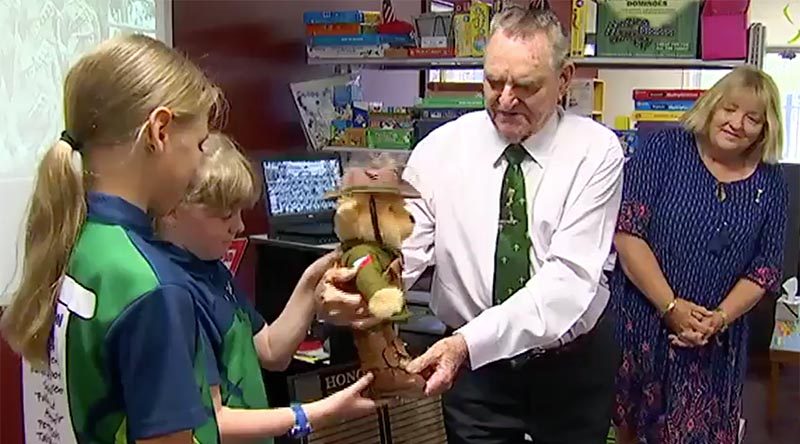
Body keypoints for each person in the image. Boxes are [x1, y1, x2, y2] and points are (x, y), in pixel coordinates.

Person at [319, 6, 624, 444]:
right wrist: (358, 282)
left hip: (570, 367)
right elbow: (405, 249)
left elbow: (568, 282)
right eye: (493, 81)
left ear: (564, 80)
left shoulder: (596, 152)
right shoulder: (441, 148)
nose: (504, 100)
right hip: (474, 376)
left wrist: (467, 342)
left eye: (525, 86)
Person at [0, 34, 225, 443]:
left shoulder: (67, 244)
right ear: (159, 131)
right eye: (198, 145)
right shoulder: (154, 286)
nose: (198, 166)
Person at [156, 133, 378, 442]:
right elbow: (212, 422)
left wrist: (314, 278)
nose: (239, 226)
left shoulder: (213, 272)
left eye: (240, 212)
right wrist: (316, 413)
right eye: (224, 216)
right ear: (172, 210)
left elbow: (272, 351)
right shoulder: (173, 293)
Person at [611, 66, 787, 444]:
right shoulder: (664, 149)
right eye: (729, 108)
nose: (737, 123)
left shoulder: (772, 183)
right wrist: (671, 307)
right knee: (634, 431)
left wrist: (717, 319)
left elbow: (765, 268)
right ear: (711, 105)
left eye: (752, 118)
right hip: (645, 324)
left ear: (765, 128)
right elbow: (627, 234)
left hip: (715, 341)